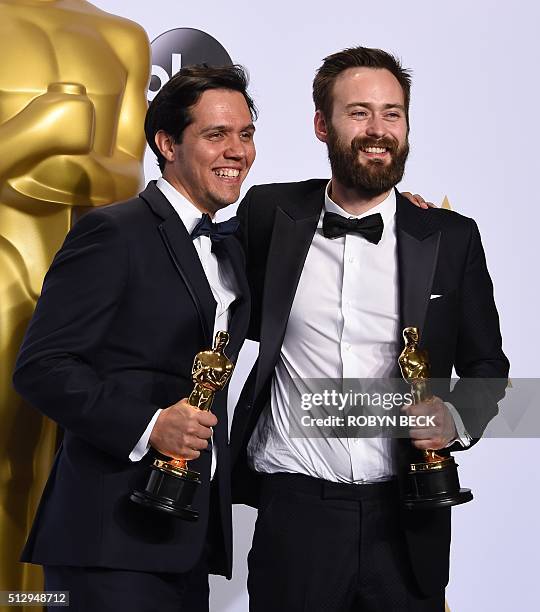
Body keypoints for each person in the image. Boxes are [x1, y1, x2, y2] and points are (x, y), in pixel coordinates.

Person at [230, 46, 509, 611]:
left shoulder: (449, 237)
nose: (378, 130)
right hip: (296, 512)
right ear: (321, 124)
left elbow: (488, 367)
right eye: (358, 113)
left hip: (407, 516)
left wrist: (454, 417)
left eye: (392, 113)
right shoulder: (269, 214)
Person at [13, 64, 256, 612]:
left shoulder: (234, 248)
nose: (236, 151)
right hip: (106, 537)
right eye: (216, 135)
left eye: (245, 134)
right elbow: (42, 366)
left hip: (184, 538)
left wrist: (405, 212)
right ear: (167, 143)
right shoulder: (113, 232)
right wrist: (151, 426)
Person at [0, 0, 149, 593]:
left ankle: (43, 601)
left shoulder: (123, 36)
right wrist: (32, 135)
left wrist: (55, 157)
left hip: (86, 284)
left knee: (63, 468)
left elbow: (126, 176)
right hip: (7, 261)